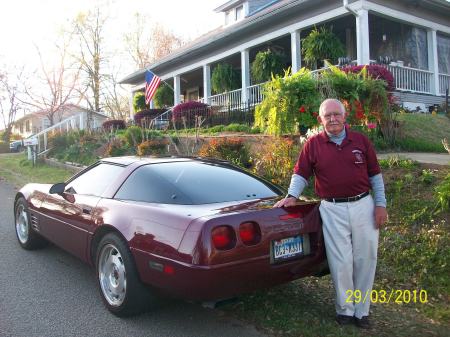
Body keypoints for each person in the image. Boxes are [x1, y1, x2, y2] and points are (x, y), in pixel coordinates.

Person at [274, 98, 388, 329]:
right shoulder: (313, 144)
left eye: (337, 114)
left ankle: (361, 311)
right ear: (320, 119)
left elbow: (375, 176)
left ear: (345, 117)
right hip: (332, 209)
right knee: (341, 262)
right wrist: (291, 196)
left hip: (363, 206)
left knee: (366, 258)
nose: (333, 118)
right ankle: (345, 310)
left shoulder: (361, 141)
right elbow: (301, 174)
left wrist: (380, 205)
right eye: (328, 115)